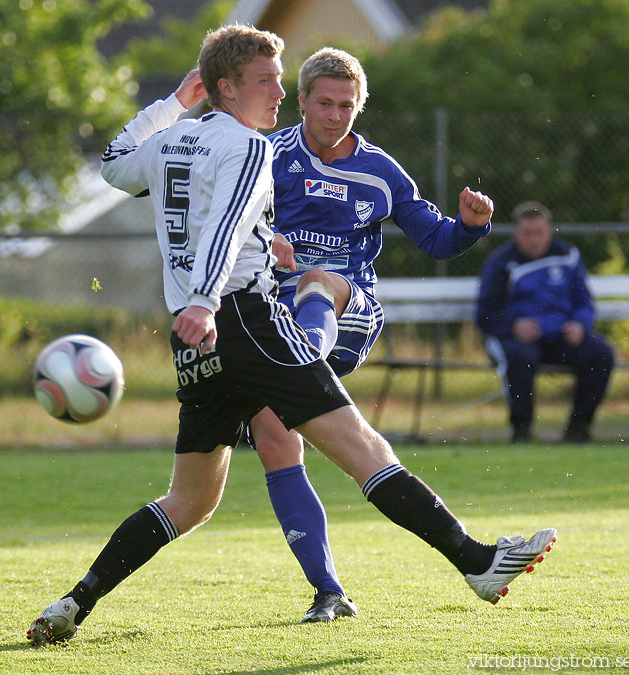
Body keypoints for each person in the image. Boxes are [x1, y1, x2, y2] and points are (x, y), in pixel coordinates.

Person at [27, 25, 557, 647]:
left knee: (189, 501)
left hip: (196, 345)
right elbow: (223, 227)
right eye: (268, 80)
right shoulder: (254, 148)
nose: (280, 91)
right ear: (227, 87)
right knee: (361, 447)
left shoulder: (177, 138)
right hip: (246, 321)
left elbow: (116, 166)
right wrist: (205, 298)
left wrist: (173, 103)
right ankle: (477, 563)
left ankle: (74, 601)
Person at [249, 47, 504, 623]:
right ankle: (328, 591)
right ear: (304, 99)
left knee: (320, 279)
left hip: (347, 314)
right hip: (276, 317)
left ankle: (304, 364)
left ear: (359, 106)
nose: (336, 115)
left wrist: (469, 225)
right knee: (270, 435)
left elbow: (436, 239)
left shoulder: (381, 172)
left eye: (347, 105)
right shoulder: (265, 157)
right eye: (325, 103)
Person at [476, 201, 614, 443]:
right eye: (527, 234)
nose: (534, 240)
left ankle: (578, 429)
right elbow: (486, 312)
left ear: (548, 232)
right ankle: (522, 431)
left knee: (602, 354)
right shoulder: (501, 263)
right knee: (518, 358)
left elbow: (584, 301)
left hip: (562, 337)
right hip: (520, 340)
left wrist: (580, 324)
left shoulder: (568, 256)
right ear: (517, 234)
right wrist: (513, 325)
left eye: (539, 233)